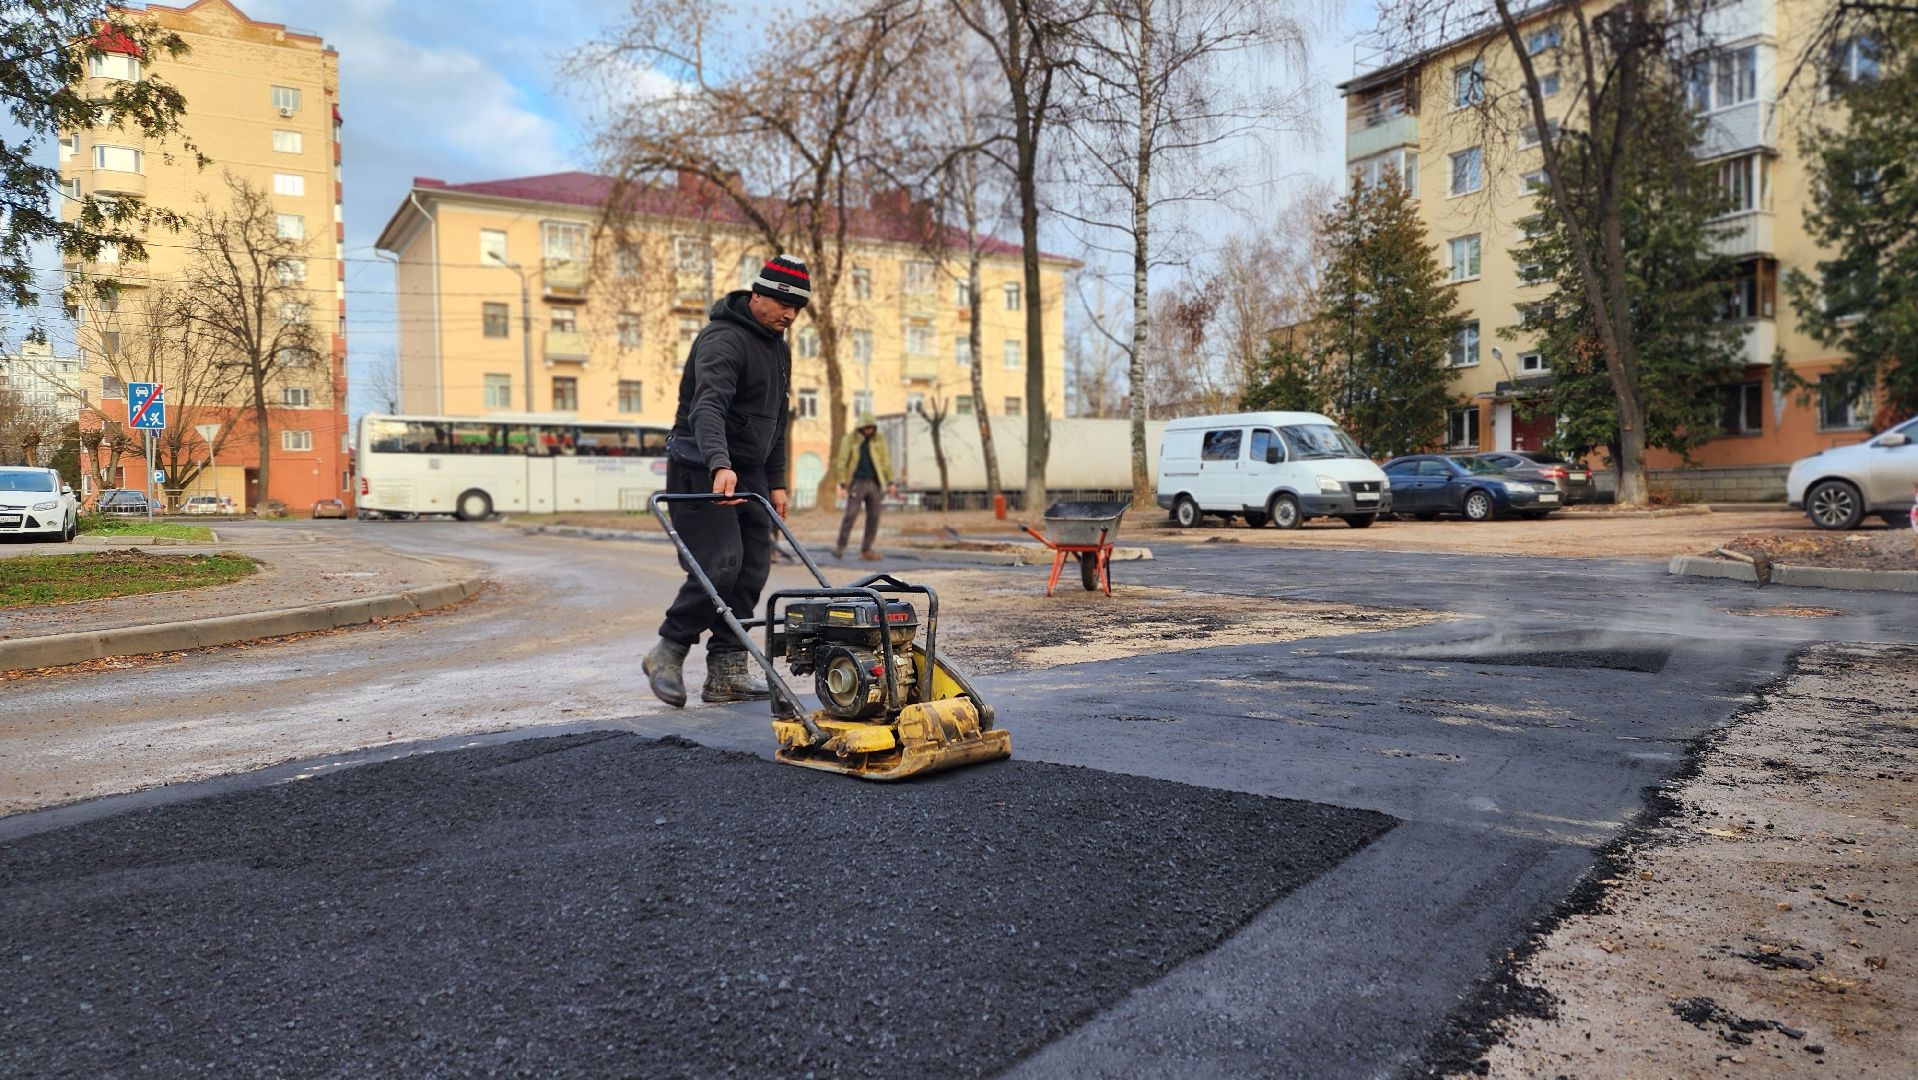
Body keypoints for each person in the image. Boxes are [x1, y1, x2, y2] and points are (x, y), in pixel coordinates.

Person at [643, 254, 807, 707]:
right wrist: (719, 465)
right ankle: (668, 652)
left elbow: (776, 419)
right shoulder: (723, 339)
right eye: (782, 303)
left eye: (798, 308)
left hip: (749, 470)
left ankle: (727, 671)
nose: (789, 314)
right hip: (701, 465)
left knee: (754, 566)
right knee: (719, 563)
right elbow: (707, 407)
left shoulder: (779, 346)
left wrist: (776, 480)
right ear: (756, 295)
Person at [833, 412, 895, 561]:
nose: (869, 431)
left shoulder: (878, 439)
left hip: (874, 483)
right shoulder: (850, 439)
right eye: (866, 428)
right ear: (860, 427)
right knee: (851, 514)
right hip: (856, 482)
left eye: (871, 428)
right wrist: (842, 484)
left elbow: (885, 461)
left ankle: (866, 549)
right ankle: (840, 546)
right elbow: (842, 461)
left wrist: (890, 481)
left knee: (874, 516)